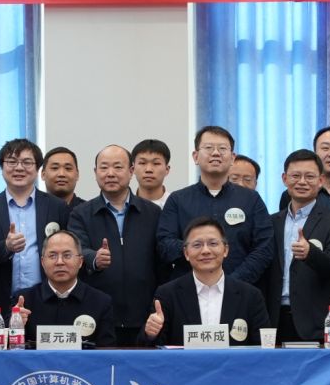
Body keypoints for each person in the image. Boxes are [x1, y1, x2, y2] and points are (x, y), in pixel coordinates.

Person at [156, 125, 273, 287]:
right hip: (188, 290)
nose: (216, 153)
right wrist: (197, 248)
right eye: (209, 148)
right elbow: (164, 244)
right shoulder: (178, 200)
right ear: (196, 156)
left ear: (232, 158)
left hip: (240, 291)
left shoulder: (251, 199)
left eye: (222, 148)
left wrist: (232, 283)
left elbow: (264, 247)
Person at [68, 142, 161, 342]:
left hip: (144, 314)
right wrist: (94, 258)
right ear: (95, 172)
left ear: (131, 171)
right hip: (97, 314)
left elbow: (161, 261)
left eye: (118, 167)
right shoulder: (81, 213)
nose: (110, 173)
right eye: (104, 167)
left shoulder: (152, 213)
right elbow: (77, 249)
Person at [259, 149, 330, 343]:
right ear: (284, 179)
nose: (302, 182)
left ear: (320, 180)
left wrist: (311, 253)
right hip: (273, 319)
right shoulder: (271, 222)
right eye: (295, 176)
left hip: (313, 321)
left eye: (309, 176)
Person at [142, 216, 271, 346]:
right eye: (197, 245)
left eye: (213, 243)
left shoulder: (251, 296)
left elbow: (263, 350)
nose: (205, 251)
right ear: (186, 253)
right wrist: (150, 334)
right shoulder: (167, 295)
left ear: (225, 250)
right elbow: (150, 350)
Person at [0, 138, 71, 314]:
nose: (19, 168)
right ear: (2, 167)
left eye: (27, 162)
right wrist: (6, 247)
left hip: (48, 301)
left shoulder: (57, 207)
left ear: (38, 168)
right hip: (0, 303)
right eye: (12, 162)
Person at [25, 230, 116, 346]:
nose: (59, 262)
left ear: (80, 261)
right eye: (52, 256)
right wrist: (16, 324)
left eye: (67, 255)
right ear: (42, 262)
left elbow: (107, 352)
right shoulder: (24, 302)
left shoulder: (101, 302)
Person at [131, 138, 171, 207]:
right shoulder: (125, 207)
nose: (148, 169)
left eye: (156, 163)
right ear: (133, 169)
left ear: (167, 169)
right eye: (142, 163)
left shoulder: (177, 205)